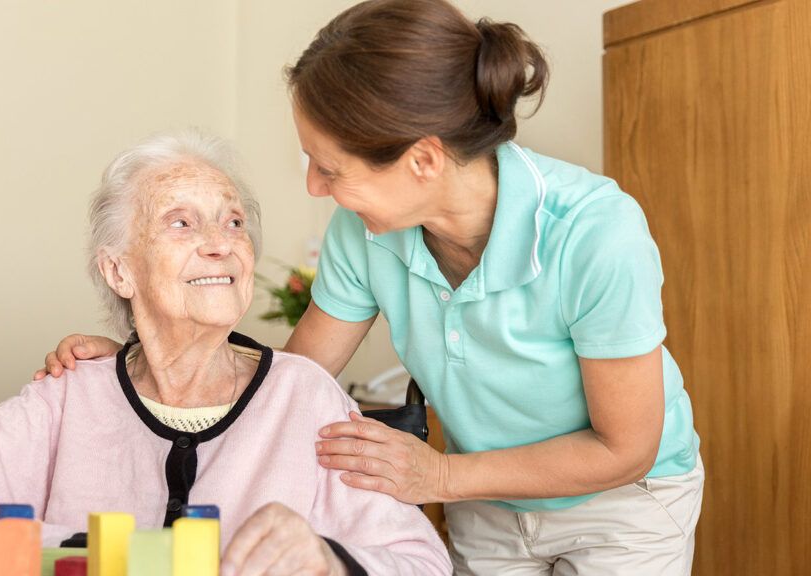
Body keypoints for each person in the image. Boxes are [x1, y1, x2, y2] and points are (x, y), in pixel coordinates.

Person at [37, 0, 705, 574]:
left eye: (330, 168)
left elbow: (626, 448)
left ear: (422, 160)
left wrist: (440, 477)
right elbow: (290, 382)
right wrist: (143, 364)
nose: (313, 188)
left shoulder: (594, 233)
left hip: (624, 501)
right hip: (488, 503)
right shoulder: (367, 234)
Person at [0, 130, 452, 576]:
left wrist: (331, 560)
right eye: (181, 223)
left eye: (234, 222)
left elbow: (422, 561)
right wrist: (94, 550)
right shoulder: (71, 392)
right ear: (119, 269)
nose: (220, 245)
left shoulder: (303, 394)